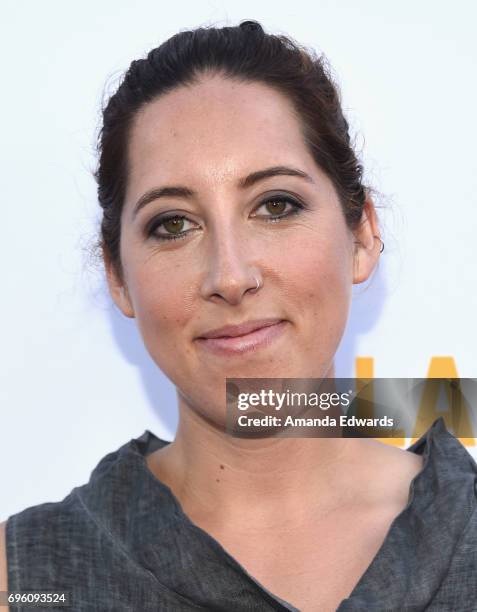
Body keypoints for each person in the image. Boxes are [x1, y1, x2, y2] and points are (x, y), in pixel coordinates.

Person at [1, 19, 476, 612]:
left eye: (276, 205)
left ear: (362, 234)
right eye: (173, 224)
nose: (229, 276)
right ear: (118, 276)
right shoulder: (24, 577)